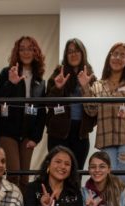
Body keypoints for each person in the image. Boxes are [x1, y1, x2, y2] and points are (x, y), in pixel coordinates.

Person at [83, 42, 125, 194]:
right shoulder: (98, 85)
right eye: (115, 54)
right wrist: (85, 88)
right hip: (106, 139)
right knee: (108, 179)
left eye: (122, 55)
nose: (118, 58)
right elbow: (91, 111)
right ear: (109, 57)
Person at [0, 36, 47, 190]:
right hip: (8, 132)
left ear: (35, 52)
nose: (26, 52)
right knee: (14, 174)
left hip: (28, 134)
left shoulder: (40, 80)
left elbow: (41, 110)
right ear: (17, 52)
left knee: (24, 177)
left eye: (30, 48)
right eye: (22, 49)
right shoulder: (7, 72)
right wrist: (10, 83)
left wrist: (36, 137)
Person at [45, 38, 96, 171]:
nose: (73, 54)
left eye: (76, 51)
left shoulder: (91, 76)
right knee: (56, 173)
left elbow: (95, 109)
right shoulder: (58, 72)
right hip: (58, 133)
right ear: (65, 55)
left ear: (83, 53)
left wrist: (85, 86)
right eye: (69, 52)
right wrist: (58, 88)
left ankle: (72, 194)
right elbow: (48, 104)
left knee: (76, 175)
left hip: (81, 134)